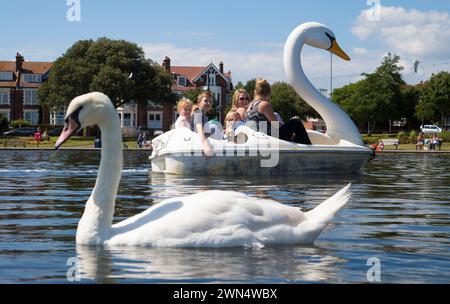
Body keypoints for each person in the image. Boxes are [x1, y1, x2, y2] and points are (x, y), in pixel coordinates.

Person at [245, 78, 311, 144]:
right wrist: (283, 124)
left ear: (255, 92)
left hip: (256, 137)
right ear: (269, 93)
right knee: (295, 122)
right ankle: (310, 149)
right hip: (268, 138)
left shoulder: (249, 106)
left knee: (295, 137)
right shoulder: (264, 105)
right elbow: (276, 125)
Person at [190, 91, 214, 156]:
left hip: (199, 140)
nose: (208, 103)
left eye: (210, 101)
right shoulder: (198, 113)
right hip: (196, 142)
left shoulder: (204, 115)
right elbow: (199, 130)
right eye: (205, 101)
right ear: (199, 102)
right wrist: (205, 145)